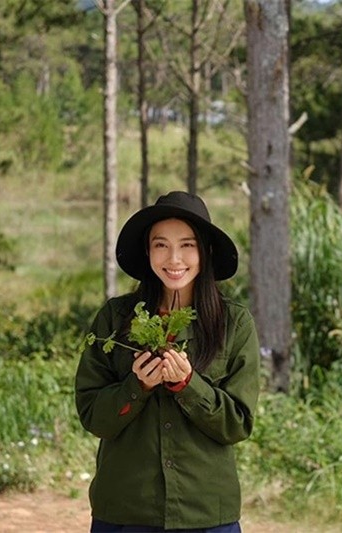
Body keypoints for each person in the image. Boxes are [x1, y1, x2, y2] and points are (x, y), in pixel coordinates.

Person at [75, 191, 260, 532]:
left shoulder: (235, 323)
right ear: (147, 253)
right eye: (161, 245)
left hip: (204, 513)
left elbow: (238, 424)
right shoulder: (114, 320)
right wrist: (137, 388)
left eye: (187, 245)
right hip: (125, 510)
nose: (174, 258)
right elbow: (93, 417)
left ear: (205, 252)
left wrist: (189, 386)